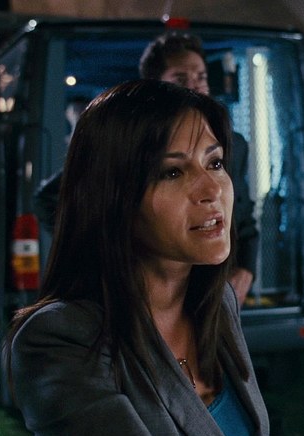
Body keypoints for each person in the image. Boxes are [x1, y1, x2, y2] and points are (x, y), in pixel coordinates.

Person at [8, 79, 270, 436]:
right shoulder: (62, 339)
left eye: (214, 163)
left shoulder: (218, 302)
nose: (212, 190)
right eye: (173, 172)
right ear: (114, 197)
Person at [35, 31, 259, 305]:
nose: (194, 87)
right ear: (154, 86)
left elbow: (243, 214)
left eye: (215, 163)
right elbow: (54, 198)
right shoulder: (128, 146)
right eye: (173, 172)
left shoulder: (233, 142)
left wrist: (246, 267)